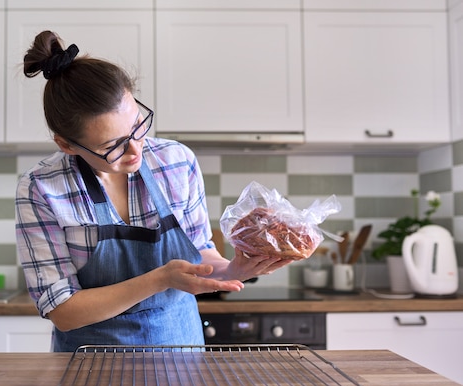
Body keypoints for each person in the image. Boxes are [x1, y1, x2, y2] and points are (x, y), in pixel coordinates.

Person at [15, 30, 291, 352]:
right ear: (66, 144)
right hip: (89, 367)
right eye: (112, 146)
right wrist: (160, 279)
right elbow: (63, 311)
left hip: (180, 355)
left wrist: (233, 269)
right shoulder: (42, 188)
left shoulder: (175, 161)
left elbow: (198, 251)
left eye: (137, 127)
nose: (135, 150)